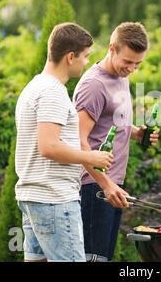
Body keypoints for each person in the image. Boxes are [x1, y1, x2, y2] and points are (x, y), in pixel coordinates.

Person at [15, 23, 113, 262]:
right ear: (71, 57)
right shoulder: (52, 91)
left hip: (33, 199)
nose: (87, 62)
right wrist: (91, 157)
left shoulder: (34, 86)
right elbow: (48, 147)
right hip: (54, 200)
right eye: (86, 56)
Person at [73, 22, 159, 262]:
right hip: (93, 185)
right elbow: (79, 142)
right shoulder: (94, 85)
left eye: (137, 64)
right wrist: (106, 185)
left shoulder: (121, 76)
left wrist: (136, 133)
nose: (131, 68)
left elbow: (109, 122)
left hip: (111, 184)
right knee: (92, 259)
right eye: (128, 62)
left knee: (103, 258)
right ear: (112, 48)